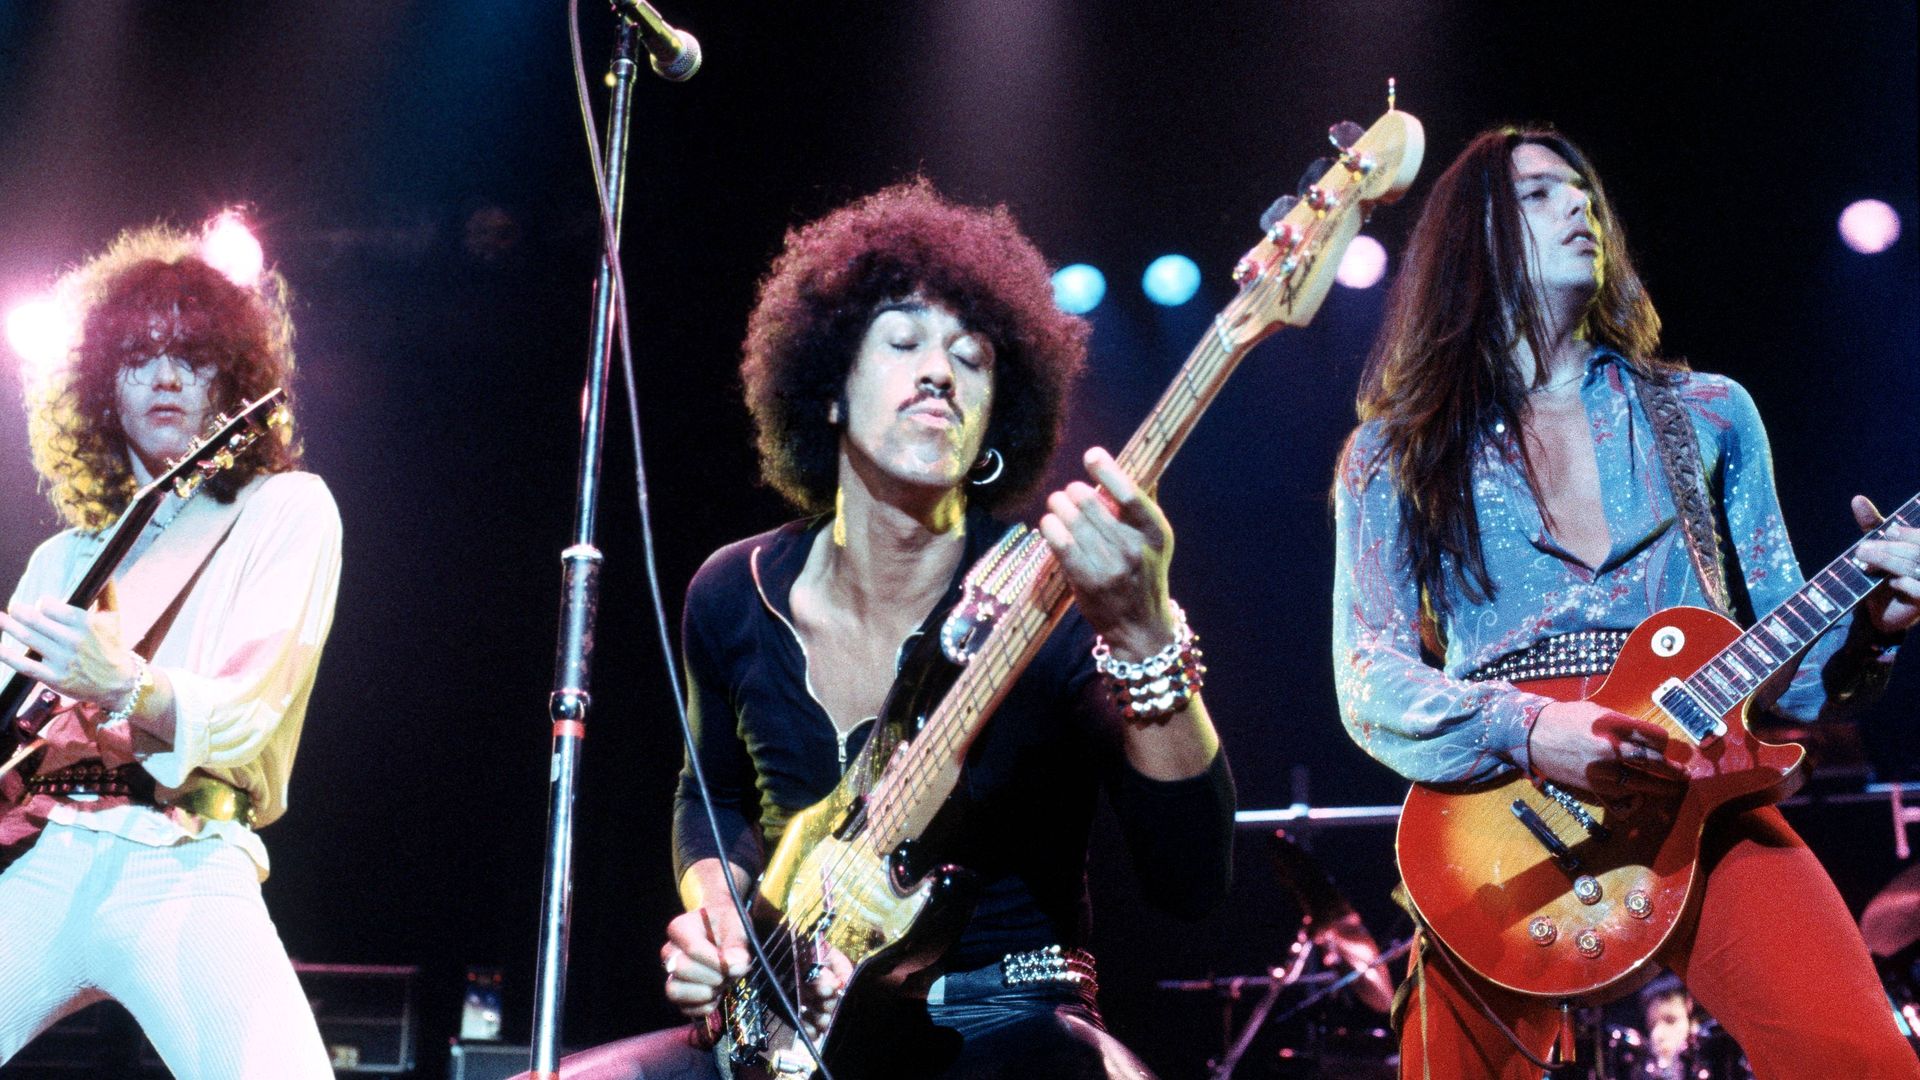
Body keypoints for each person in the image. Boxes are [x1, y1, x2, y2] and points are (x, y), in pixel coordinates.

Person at [544, 180, 1235, 1080]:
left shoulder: (1048, 596)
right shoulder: (731, 592)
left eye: (972, 358)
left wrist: (1144, 634)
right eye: (903, 342)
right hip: (785, 1025)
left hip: (1005, 1023)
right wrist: (714, 915)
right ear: (827, 389)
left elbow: (1191, 879)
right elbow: (710, 794)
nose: (939, 371)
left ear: (996, 419)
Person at [1330, 127, 1920, 1077]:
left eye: (1584, 192)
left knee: (1865, 1063)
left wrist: (1870, 631)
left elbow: (1795, 674)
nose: (1580, 206)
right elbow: (1368, 675)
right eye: (1538, 194)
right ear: (1471, 241)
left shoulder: (1710, 412)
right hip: (1500, 820)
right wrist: (1531, 729)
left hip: (1702, 789)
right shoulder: (1395, 451)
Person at [0, 221, 342, 1078]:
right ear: (100, 385)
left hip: (185, 857)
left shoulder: (286, 508)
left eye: (191, 357)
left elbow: (249, 716)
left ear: (231, 380)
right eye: (138, 356)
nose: (164, 376)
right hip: (52, 857)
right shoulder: (63, 558)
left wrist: (123, 685)